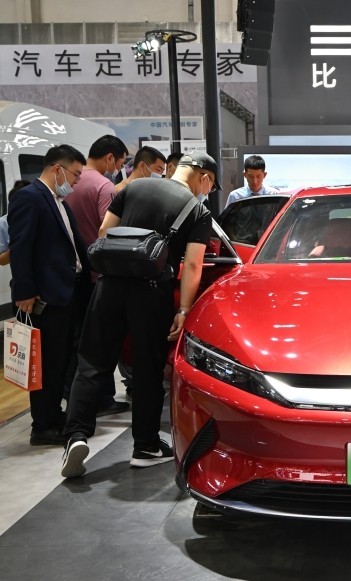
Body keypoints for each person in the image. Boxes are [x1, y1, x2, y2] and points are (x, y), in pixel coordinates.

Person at [60, 151, 216, 478]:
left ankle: (75, 436)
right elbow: (192, 265)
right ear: (204, 178)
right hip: (151, 293)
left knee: (92, 362)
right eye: (211, 186)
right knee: (147, 369)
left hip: (109, 286)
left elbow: (104, 232)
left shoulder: (134, 187)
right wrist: (184, 310)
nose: (208, 191)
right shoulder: (197, 210)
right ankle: (145, 446)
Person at [8, 145, 91, 446]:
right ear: (58, 169)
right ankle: (42, 425)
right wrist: (25, 291)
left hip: (67, 293)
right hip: (45, 297)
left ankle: (55, 415)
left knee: (61, 361)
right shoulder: (29, 198)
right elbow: (21, 248)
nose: (77, 182)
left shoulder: (59, 202)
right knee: (45, 364)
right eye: (76, 175)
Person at [63, 134, 130, 416]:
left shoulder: (68, 184)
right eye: (120, 163)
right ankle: (101, 399)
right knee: (101, 343)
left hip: (71, 275)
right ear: (110, 158)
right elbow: (110, 233)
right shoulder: (104, 186)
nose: (119, 170)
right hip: (97, 275)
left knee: (75, 341)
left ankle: (73, 396)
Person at [0, 180, 30, 266]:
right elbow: (1, 260)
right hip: (21, 270)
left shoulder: (44, 216)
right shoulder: (3, 223)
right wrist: (19, 246)